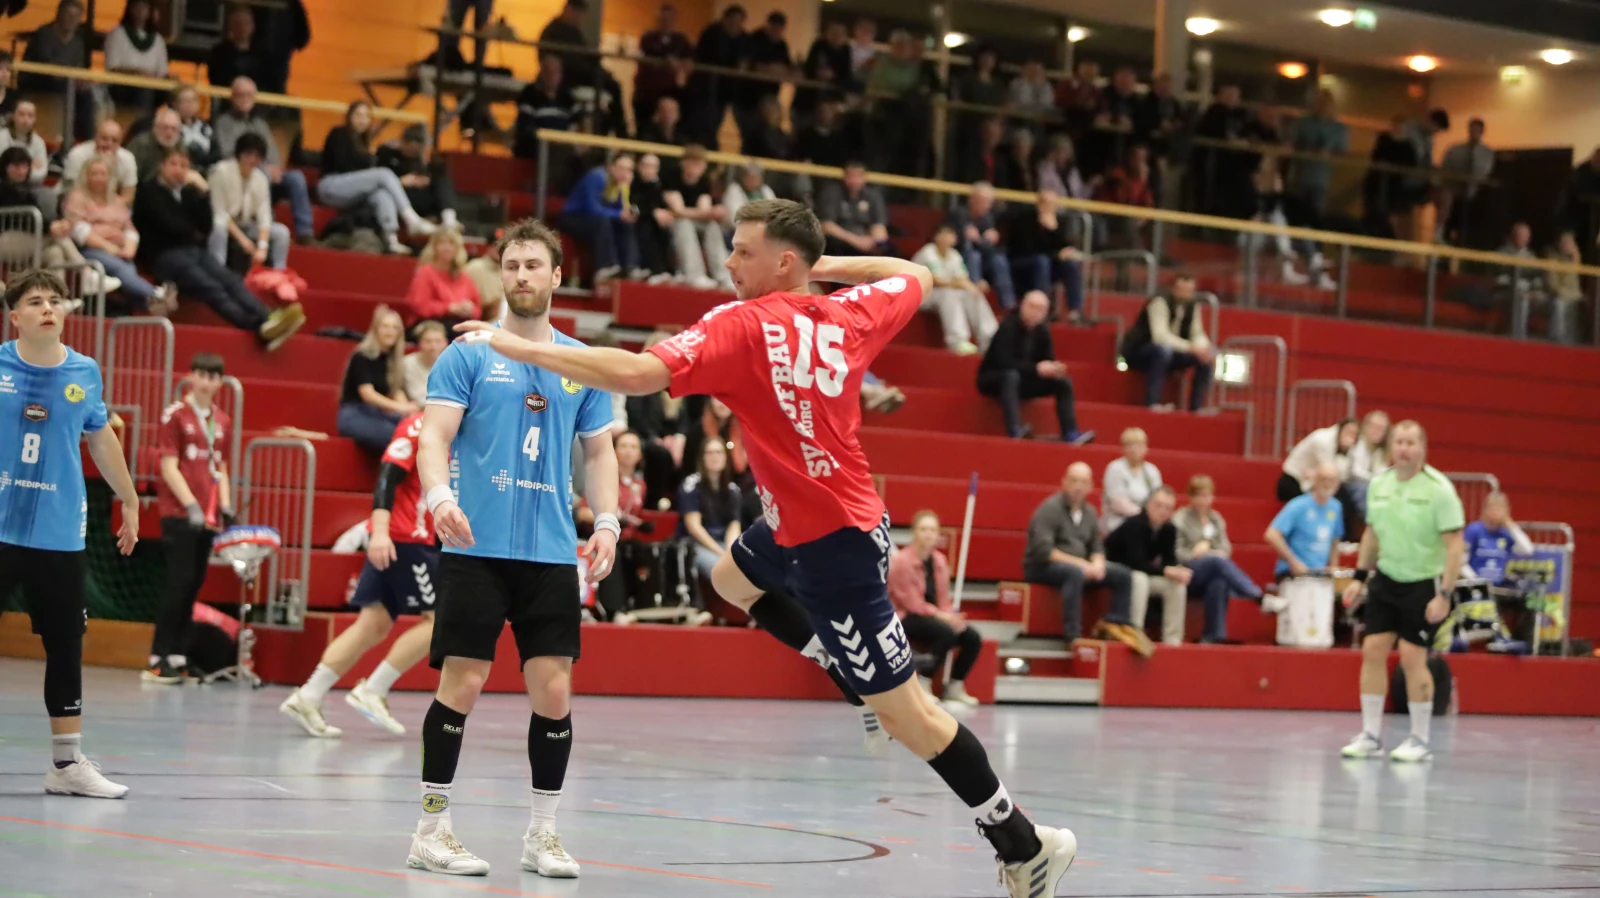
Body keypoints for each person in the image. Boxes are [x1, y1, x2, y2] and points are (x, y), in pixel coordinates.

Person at [452, 200, 1078, 896]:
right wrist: (820, 266)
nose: (728, 263)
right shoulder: (850, 314)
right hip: (804, 526)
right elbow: (914, 274)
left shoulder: (741, 325)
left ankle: (1024, 845)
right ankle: (842, 670)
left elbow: (634, 374)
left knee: (910, 716)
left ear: (782, 262)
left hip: (833, 550)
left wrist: (521, 347)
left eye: (743, 251)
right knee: (730, 580)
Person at [409, 219, 620, 878]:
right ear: (501, 275)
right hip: (477, 546)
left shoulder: (579, 363)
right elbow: (433, 436)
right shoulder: (468, 354)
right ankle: (431, 829)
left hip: (551, 552)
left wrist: (607, 521)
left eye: (534, 265)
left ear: (557, 276)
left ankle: (543, 835)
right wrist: (439, 497)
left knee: (554, 691)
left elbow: (600, 452)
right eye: (512, 265)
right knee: (463, 682)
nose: (522, 275)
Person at [0, 269, 141, 798]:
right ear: (15, 316)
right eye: (35, 301)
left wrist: (129, 498)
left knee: (65, 646)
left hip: (58, 532)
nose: (47, 308)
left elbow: (100, 439)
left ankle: (66, 766)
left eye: (55, 300)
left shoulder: (84, 371)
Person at [282, 412, 440, 737]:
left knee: (373, 623)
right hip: (403, 537)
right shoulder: (419, 426)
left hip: (411, 537)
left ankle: (308, 695)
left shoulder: (455, 430)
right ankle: (374, 689)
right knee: (438, 621)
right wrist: (379, 533)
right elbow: (387, 477)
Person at [1340, 421, 1464, 763]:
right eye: (1398, 442)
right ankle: (1370, 735)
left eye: (1410, 443)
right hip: (1387, 578)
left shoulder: (1440, 490)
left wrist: (1445, 594)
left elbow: (1455, 546)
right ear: (1390, 447)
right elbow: (1372, 534)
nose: (1404, 449)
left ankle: (1419, 739)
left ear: (1422, 448)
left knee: (1412, 656)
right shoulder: (1379, 485)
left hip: (1424, 583)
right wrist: (1359, 577)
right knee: (1372, 649)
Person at [135, 147, 304, 346]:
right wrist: (192, 231)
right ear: (161, 166)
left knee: (230, 279)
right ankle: (258, 326)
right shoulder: (148, 190)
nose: (178, 170)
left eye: (183, 166)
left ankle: (267, 315)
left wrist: (204, 192)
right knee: (211, 287)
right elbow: (171, 225)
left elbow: (207, 225)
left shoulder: (189, 192)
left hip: (194, 251)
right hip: (164, 256)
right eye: (173, 164)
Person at [144, 353, 233, 684]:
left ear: (220, 382)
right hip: (180, 514)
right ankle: (157, 657)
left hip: (207, 518)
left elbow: (220, 467)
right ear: (191, 377)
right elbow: (168, 467)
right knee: (178, 583)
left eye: (213, 377)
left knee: (194, 584)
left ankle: (179, 656)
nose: (207, 382)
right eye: (202, 375)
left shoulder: (222, 421)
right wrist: (191, 505)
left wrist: (225, 504)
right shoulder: (175, 416)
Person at [1024, 461, 1146, 653]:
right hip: (1043, 566)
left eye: (1083, 482)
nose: (1078, 486)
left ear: (1090, 486)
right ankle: (1073, 635)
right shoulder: (1049, 509)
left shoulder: (1089, 512)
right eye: (1074, 481)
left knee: (1123, 575)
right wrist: (1082, 564)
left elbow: (1096, 545)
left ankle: (1114, 627)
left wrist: (1097, 563)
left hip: (1080, 565)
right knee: (1075, 573)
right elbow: (1044, 551)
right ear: (1064, 482)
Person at [889, 510, 983, 708]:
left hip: (934, 615)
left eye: (932, 530)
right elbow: (911, 603)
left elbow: (943, 597)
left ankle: (955, 686)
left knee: (971, 637)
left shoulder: (939, 561)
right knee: (946, 632)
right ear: (914, 532)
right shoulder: (901, 562)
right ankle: (923, 683)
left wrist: (950, 616)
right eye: (923, 529)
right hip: (906, 616)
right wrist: (943, 617)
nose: (928, 534)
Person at [318, 101, 439, 255]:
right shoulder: (339, 134)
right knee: (383, 173)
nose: (362, 120)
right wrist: (370, 162)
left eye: (366, 116)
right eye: (358, 115)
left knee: (381, 194)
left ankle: (391, 239)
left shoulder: (364, 142)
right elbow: (344, 165)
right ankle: (411, 219)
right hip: (331, 185)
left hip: (351, 192)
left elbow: (364, 173)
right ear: (349, 117)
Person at [976, 290, 1092, 444]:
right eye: (1032, 306)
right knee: (1011, 376)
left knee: (1063, 382)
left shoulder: (1042, 331)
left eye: (1040, 309)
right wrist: (1036, 368)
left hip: (1024, 380)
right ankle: (1015, 429)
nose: (1035, 312)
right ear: (1023, 305)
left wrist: (1053, 369)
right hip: (995, 379)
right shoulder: (1008, 326)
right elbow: (1003, 361)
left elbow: (1047, 359)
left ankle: (1070, 432)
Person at [63, 154, 172, 311]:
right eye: (94, 173)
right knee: (122, 269)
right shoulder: (77, 197)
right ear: (86, 176)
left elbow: (129, 229)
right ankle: (155, 294)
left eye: (103, 174)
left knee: (128, 269)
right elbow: (78, 230)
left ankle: (145, 304)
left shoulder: (117, 200)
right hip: (90, 249)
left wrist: (129, 248)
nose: (99, 178)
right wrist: (110, 248)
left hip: (120, 250)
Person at [213, 77, 314, 244]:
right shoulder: (224, 123)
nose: (245, 99)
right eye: (241, 95)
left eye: (249, 95)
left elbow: (272, 153)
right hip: (238, 176)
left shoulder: (260, 124)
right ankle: (267, 226)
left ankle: (305, 233)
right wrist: (262, 167)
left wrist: (274, 168)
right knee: (263, 175)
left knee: (296, 178)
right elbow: (228, 155)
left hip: (265, 172)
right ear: (232, 97)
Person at [1174, 475, 1261, 643]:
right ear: (1191, 497)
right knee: (1216, 561)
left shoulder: (1215, 519)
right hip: (1187, 571)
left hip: (1213, 568)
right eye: (1199, 495)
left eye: (1207, 495)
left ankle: (1213, 636)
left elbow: (1226, 549)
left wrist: (1211, 551)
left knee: (1219, 582)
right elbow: (1175, 553)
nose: (1203, 500)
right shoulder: (1180, 519)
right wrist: (1194, 554)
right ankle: (1255, 594)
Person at [1105, 486, 1190, 646]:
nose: (1162, 511)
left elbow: (1169, 560)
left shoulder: (1169, 529)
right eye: (1158, 505)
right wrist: (1167, 571)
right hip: (1117, 569)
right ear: (1148, 504)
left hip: (1142, 571)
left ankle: (1173, 640)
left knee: (1176, 585)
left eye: (1168, 508)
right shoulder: (1134, 524)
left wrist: (1178, 571)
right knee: (1140, 579)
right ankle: (1135, 631)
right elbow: (1135, 563)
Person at [1120, 273, 1213, 411]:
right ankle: (1152, 402)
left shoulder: (1192, 305)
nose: (1186, 295)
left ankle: (1196, 407)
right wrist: (1190, 347)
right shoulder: (1159, 302)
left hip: (1172, 352)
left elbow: (1197, 333)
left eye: (1189, 291)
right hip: (1141, 351)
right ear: (1173, 288)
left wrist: (1204, 348)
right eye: (1182, 290)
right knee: (1163, 350)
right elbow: (1160, 336)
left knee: (1206, 358)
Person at [910, 223, 999, 355]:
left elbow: (962, 278)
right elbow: (937, 280)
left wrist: (974, 287)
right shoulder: (927, 252)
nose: (948, 238)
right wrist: (962, 284)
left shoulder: (954, 255)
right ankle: (957, 341)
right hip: (920, 295)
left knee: (973, 293)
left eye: (951, 235)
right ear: (936, 237)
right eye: (945, 234)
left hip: (942, 293)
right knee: (948, 294)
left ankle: (989, 338)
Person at [339, 306, 417, 455]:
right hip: (354, 414)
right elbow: (367, 394)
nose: (390, 331)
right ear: (376, 330)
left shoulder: (392, 360)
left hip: (377, 413)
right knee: (395, 437)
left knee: (412, 432)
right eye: (385, 326)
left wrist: (410, 414)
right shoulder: (362, 356)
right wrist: (401, 408)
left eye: (394, 328)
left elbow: (396, 391)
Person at [208, 132, 290, 272]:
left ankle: (278, 272)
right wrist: (243, 241)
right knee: (219, 226)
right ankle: (218, 270)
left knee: (282, 232)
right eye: (248, 154)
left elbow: (264, 216)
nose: (252, 160)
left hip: (246, 225)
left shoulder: (261, 178)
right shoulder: (221, 171)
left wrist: (262, 247)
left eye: (257, 156)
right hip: (224, 223)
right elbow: (220, 212)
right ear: (239, 154)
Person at [560, 153, 639, 286]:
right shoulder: (597, 177)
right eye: (621, 168)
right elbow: (594, 209)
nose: (624, 173)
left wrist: (625, 192)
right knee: (602, 222)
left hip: (597, 220)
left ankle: (630, 267)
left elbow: (621, 210)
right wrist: (619, 214)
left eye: (629, 170)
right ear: (611, 167)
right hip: (574, 218)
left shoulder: (621, 185)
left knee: (626, 224)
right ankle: (605, 267)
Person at [1005, 188, 1085, 320]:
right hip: (1022, 263)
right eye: (1046, 204)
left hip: (1047, 263)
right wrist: (1055, 255)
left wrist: (1053, 230)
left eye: (1053, 205)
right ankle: (1041, 308)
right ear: (1039, 204)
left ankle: (1075, 311)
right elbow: (1027, 248)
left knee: (1070, 265)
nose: (1050, 208)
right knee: (1042, 261)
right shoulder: (1025, 219)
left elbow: (1063, 247)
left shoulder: (1057, 222)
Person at [1278, 417, 1364, 539]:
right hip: (1292, 482)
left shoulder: (1349, 447)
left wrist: (1315, 473)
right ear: (1340, 429)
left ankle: (1346, 538)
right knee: (1337, 495)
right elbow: (1329, 473)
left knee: (1345, 493)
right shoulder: (1323, 440)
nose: (1351, 437)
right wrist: (1318, 474)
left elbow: (1343, 475)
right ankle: (1341, 538)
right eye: (1348, 432)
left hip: (1313, 481)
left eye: (1354, 434)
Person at [662, 144, 732, 290]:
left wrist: (710, 213)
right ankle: (694, 274)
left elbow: (704, 209)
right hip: (669, 221)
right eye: (695, 163)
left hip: (691, 219)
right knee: (684, 224)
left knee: (712, 226)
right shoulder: (671, 177)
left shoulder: (704, 182)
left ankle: (723, 275)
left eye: (701, 164)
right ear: (684, 163)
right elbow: (677, 211)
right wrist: (706, 212)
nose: (699, 167)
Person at [677, 438, 742, 584]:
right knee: (723, 570)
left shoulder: (733, 490)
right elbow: (694, 528)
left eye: (719, 452)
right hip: (696, 545)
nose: (715, 457)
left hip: (723, 543)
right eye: (710, 453)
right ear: (702, 457)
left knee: (750, 568)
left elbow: (734, 525)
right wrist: (721, 554)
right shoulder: (691, 486)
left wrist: (730, 552)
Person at [1265, 462, 1343, 581]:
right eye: (1323, 479)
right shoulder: (1298, 505)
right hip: (1293, 574)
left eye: (1332, 480)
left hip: (1319, 574)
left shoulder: (1336, 507)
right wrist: (1293, 562)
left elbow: (1335, 539)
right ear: (1315, 480)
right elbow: (1272, 534)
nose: (1327, 484)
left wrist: (1333, 567)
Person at [947, 182, 1015, 310]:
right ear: (972, 199)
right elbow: (947, 238)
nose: (986, 205)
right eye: (982, 201)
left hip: (982, 258)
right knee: (974, 256)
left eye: (988, 202)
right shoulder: (958, 213)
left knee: (999, 259)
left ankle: (1008, 303)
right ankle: (975, 299)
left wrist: (991, 238)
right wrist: (964, 234)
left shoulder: (988, 218)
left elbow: (987, 247)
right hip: (959, 257)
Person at [376, 124, 459, 225]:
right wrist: (401, 181)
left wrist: (423, 180)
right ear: (403, 142)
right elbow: (379, 181)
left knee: (442, 180)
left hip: (420, 196)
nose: (414, 152)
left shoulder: (422, 160)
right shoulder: (386, 154)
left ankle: (449, 219)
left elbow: (427, 175)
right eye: (411, 148)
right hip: (399, 196)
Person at [405, 227, 480, 329]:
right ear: (434, 248)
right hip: (429, 324)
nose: (447, 248)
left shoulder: (464, 276)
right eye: (442, 243)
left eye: (451, 244)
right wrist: (449, 308)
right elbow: (420, 306)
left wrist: (470, 310)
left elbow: (477, 308)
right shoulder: (425, 272)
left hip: (458, 323)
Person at [104, 0, 168, 113]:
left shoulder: (158, 39)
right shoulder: (118, 33)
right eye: (137, 7)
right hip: (123, 86)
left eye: (144, 7)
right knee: (144, 90)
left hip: (151, 86)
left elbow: (162, 72)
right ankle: (141, 122)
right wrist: (137, 73)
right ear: (130, 9)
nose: (141, 11)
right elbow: (112, 67)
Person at [817, 161, 893, 256]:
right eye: (851, 176)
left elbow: (878, 225)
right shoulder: (832, 192)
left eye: (858, 176)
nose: (854, 180)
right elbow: (826, 226)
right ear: (844, 177)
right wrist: (857, 241)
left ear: (864, 178)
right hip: (838, 244)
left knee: (888, 249)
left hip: (865, 243)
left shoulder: (873, 196)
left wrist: (877, 243)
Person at [1461, 491, 1534, 583]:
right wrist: (1476, 580)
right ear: (1484, 510)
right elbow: (1461, 562)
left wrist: (1510, 524)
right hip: (1476, 584)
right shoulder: (1474, 530)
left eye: (1500, 508)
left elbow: (1527, 550)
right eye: (1492, 508)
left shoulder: (1506, 533)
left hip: (1498, 585)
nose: (1495, 512)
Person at [1101, 427, 1162, 535]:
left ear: (1146, 448)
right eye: (1130, 445)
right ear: (1123, 448)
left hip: (1147, 522)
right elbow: (1118, 503)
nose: (1134, 449)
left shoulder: (1152, 471)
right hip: (1119, 523)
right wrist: (1144, 516)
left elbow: (1158, 498)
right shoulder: (1115, 469)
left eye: (1139, 445)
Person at [62, 120, 138, 202]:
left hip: (112, 203)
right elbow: (72, 191)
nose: (109, 144)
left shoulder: (128, 158)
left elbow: (128, 195)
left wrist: (113, 206)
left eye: (114, 141)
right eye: (104, 139)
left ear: (120, 142)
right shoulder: (78, 154)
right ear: (96, 137)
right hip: (78, 201)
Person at [0, 101, 52, 211]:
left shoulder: (39, 142)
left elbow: (41, 174)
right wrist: (29, 168)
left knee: (46, 196)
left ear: (35, 119)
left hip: (30, 188)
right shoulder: (1, 137)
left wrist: (17, 172)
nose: (25, 119)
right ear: (13, 116)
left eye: (30, 115)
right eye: (22, 114)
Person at [171, 85, 218, 169]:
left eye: (192, 101)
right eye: (184, 101)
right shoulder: (170, 127)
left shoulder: (207, 127)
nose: (189, 105)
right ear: (175, 104)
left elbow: (216, 154)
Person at [402, 320, 449, 405]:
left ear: (445, 343)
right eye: (428, 341)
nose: (433, 346)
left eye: (438, 341)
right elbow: (419, 398)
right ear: (420, 343)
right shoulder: (408, 363)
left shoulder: (452, 364)